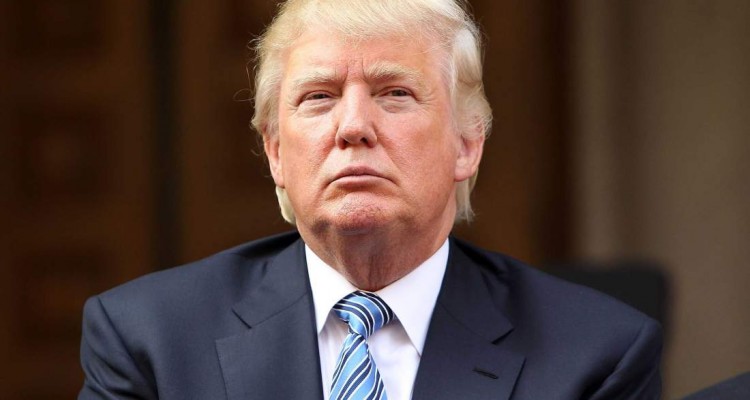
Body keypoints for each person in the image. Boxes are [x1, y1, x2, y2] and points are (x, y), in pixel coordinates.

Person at [78, 0, 662, 399]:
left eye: (395, 93)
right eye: (319, 96)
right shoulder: (149, 340)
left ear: (467, 144)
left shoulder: (594, 356)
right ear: (276, 152)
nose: (353, 125)